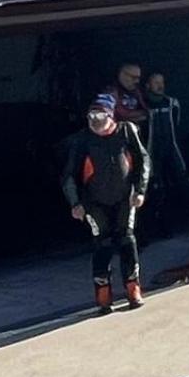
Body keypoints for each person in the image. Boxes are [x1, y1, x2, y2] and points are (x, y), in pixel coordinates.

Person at [63, 102, 149, 314]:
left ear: (111, 117)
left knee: (127, 239)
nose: (96, 123)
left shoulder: (126, 131)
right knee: (103, 243)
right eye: (92, 118)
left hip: (125, 198)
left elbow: (142, 160)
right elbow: (68, 175)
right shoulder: (82, 139)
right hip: (94, 202)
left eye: (101, 118)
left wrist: (140, 190)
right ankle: (103, 295)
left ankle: (133, 289)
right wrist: (75, 203)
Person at [141, 72, 189, 236]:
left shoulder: (172, 103)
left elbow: (179, 126)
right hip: (151, 153)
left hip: (172, 150)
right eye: (155, 82)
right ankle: (156, 230)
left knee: (184, 183)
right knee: (155, 190)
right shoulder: (142, 105)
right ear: (147, 85)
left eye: (161, 82)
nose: (160, 86)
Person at [99, 63, 150, 135]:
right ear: (121, 75)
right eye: (133, 77)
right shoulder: (110, 92)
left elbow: (147, 111)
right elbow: (119, 115)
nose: (137, 81)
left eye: (138, 78)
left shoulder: (137, 91)